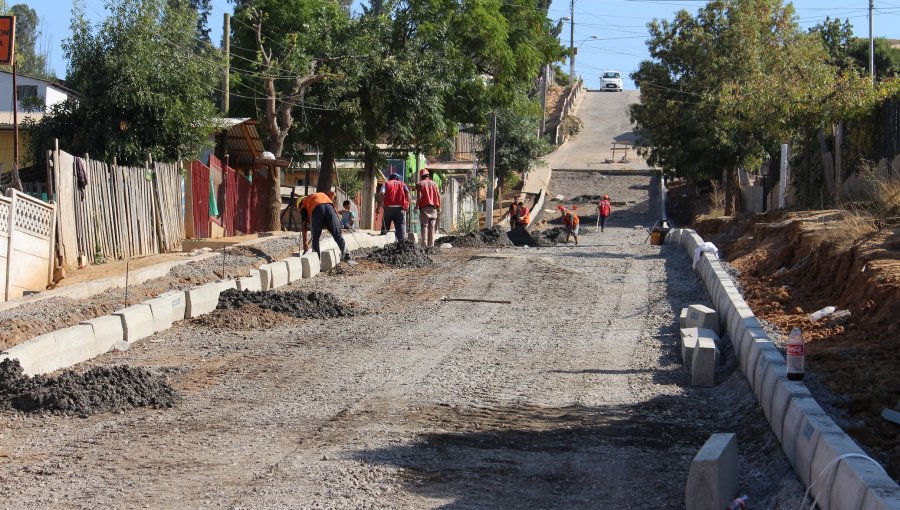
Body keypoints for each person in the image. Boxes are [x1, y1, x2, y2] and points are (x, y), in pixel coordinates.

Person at [299, 192, 350, 262]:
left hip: (317, 209)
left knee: (315, 237)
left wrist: (305, 243)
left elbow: (304, 226)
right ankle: (347, 255)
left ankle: (316, 261)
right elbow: (332, 194)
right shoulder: (316, 196)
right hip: (330, 208)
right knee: (337, 234)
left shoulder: (303, 205)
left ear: (300, 203)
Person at [377, 173, 410, 240]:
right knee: (400, 225)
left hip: (388, 208)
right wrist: (407, 204)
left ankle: (383, 240)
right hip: (400, 208)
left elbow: (382, 194)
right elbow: (408, 193)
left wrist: (378, 207)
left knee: (386, 225)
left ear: (390, 178)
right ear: (397, 179)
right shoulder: (403, 184)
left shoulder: (386, 184)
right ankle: (401, 242)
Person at [415, 169, 441, 247]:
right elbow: (438, 195)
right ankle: (431, 246)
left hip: (424, 208)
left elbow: (419, 196)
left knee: (424, 226)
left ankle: (424, 245)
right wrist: (439, 206)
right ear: (428, 175)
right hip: (433, 208)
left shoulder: (419, 184)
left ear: (421, 176)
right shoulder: (434, 184)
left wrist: (416, 206)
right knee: (432, 226)